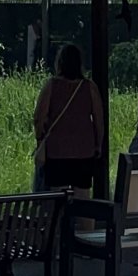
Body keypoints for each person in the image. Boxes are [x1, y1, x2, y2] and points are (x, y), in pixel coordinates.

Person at [32, 43, 106, 197]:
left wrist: (40, 139)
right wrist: (98, 144)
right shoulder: (90, 87)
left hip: (57, 151)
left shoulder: (51, 86)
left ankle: (60, 221)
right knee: (83, 198)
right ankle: (84, 221)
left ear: (60, 63)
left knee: (57, 199)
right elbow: (99, 119)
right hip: (84, 151)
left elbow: (39, 117)